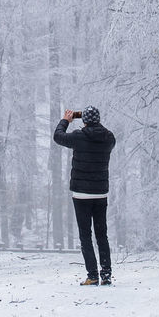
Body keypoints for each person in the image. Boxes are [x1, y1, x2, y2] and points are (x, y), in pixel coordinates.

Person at [53, 105, 116, 285]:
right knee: (101, 234)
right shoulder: (109, 138)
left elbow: (58, 137)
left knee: (85, 235)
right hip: (101, 193)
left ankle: (92, 275)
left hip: (81, 194)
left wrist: (66, 120)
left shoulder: (79, 137)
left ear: (85, 119)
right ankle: (106, 274)